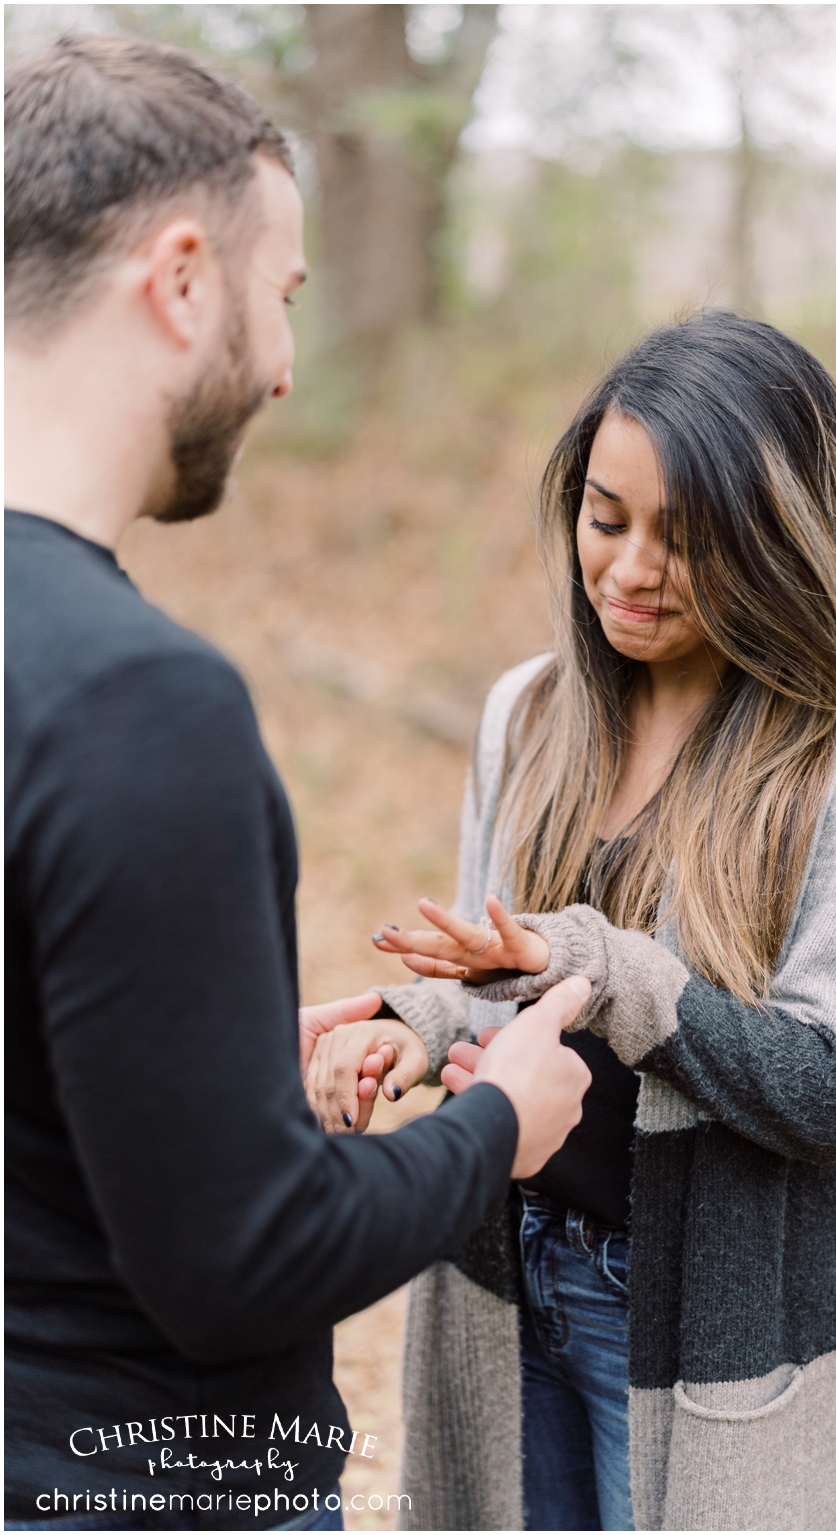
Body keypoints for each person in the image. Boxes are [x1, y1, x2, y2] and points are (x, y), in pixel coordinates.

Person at [3, 33, 592, 1534]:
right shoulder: (139, 699)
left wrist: (204, 1063)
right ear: (182, 276)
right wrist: (497, 1124)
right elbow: (242, 1263)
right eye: (284, 296)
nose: (279, 366)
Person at [298, 314, 836, 1530]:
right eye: (607, 518)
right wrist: (412, 1022)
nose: (630, 569)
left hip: (706, 1321)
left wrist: (604, 964)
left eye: (686, 538)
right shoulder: (526, 712)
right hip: (502, 1265)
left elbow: (825, 1089)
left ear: (776, 543)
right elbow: (510, 980)